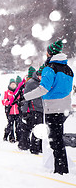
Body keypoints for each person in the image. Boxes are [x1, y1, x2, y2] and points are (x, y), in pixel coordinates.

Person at [23, 40, 74, 174]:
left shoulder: (50, 68)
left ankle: (61, 170)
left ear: (50, 53)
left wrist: (26, 96)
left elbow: (43, 89)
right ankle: (62, 168)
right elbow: (66, 89)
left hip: (52, 108)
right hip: (65, 108)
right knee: (58, 138)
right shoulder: (68, 69)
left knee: (55, 141)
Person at [18, 66, 44, 154]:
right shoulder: (31, 83)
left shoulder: (44, 82)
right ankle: (31, 147)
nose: (41, 77)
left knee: (40, 129)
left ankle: (38, 146)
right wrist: (24, 111)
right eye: (41, 75)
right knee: (31, 128)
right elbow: (25, 98)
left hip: (42, 109)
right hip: (33, 109)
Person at [1, 78, 20, 143]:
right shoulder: (6, 92)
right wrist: (9, 102)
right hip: (10, 112)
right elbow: (3, 101)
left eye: (14, 84)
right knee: (10, 125)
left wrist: (18, 103)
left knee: (18, 125)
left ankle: (18, 137)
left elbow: (20, 100)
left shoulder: (18, 92)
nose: (13, 86)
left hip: (17, 111)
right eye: (12, 84)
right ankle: (10, 137)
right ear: (9, 85)